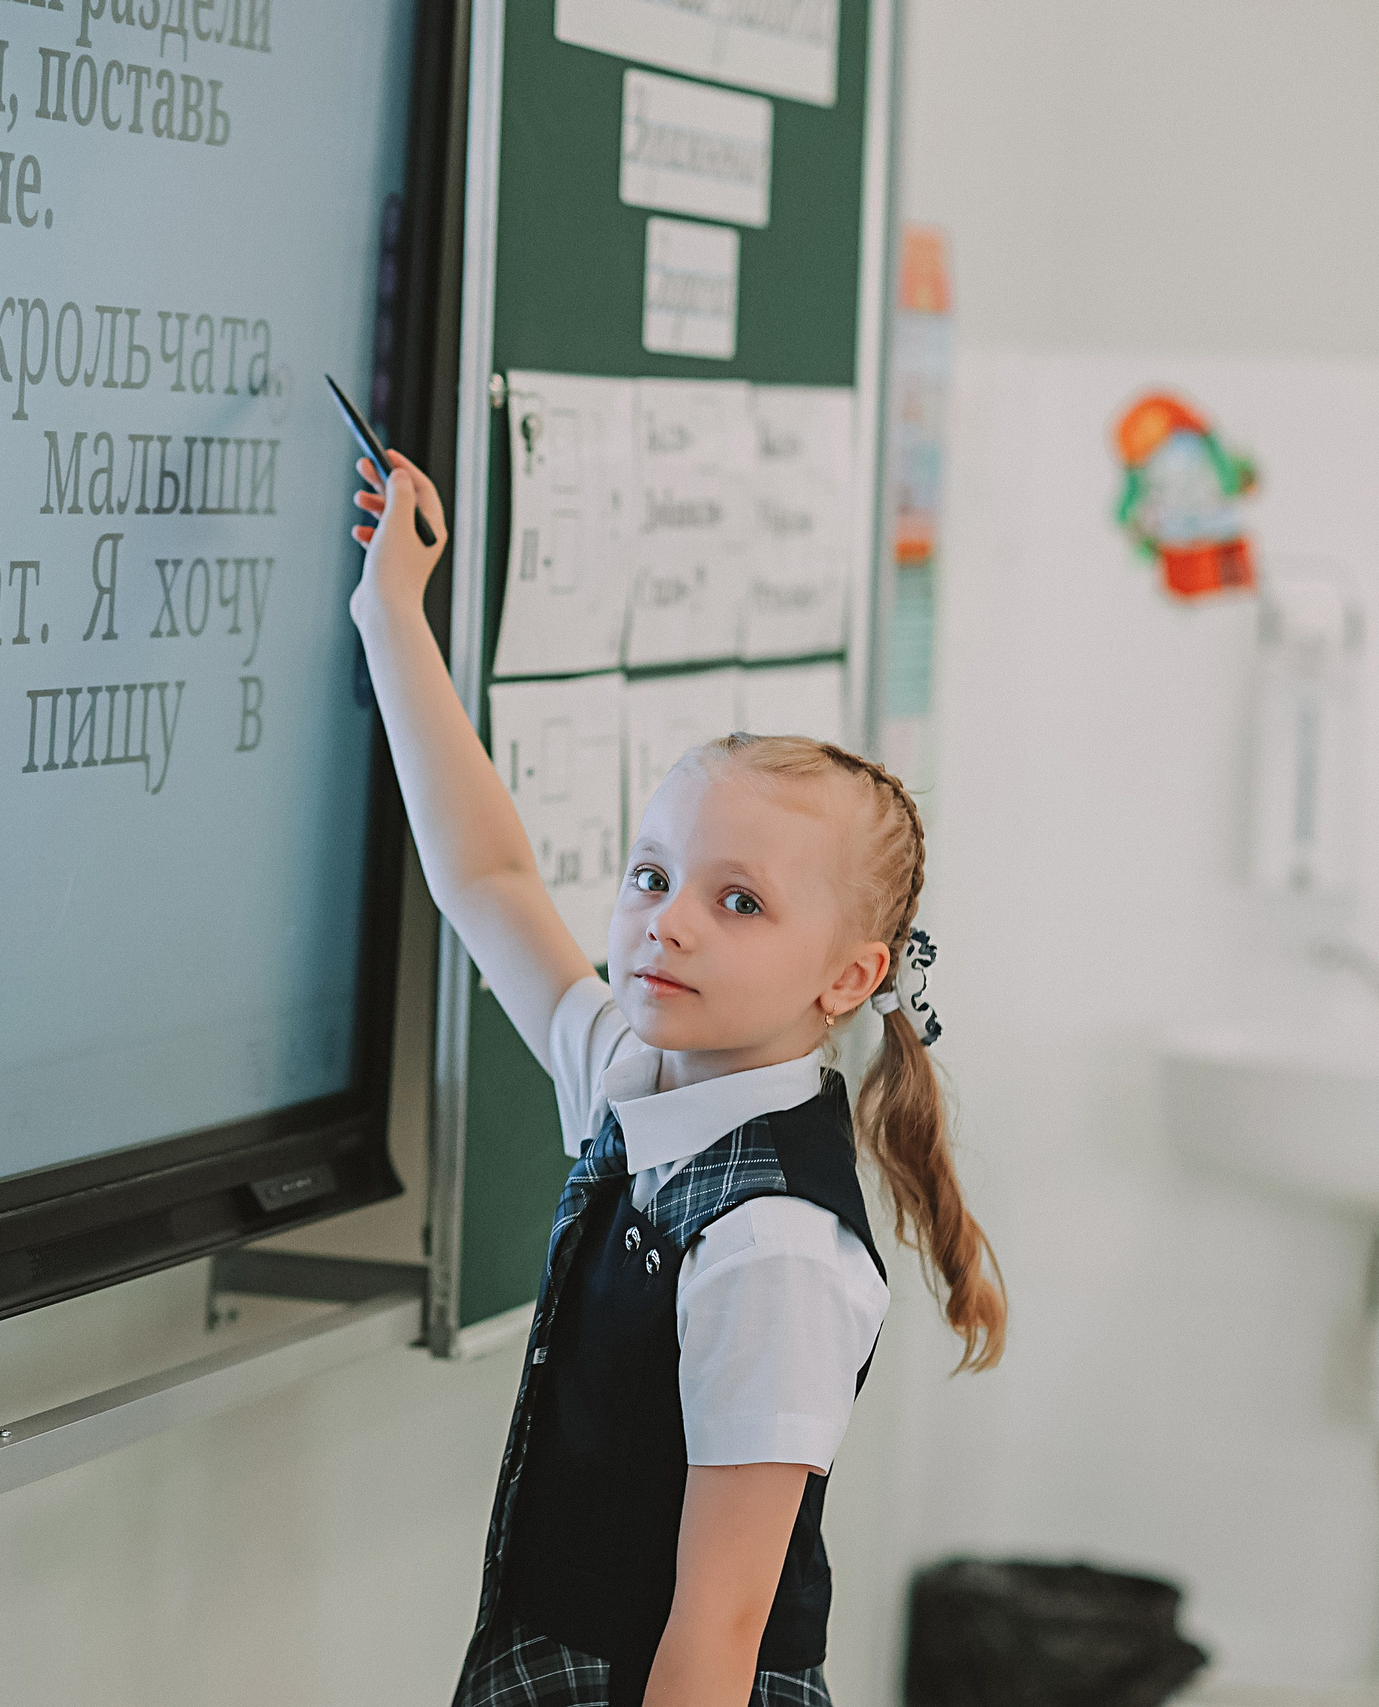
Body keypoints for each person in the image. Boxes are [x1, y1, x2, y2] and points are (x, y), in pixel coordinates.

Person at [347, 451, 1006, 1707]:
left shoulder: (776, 1251)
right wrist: (393, 614)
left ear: (846, 976)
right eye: (651, 876)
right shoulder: (633, 1079)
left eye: (738, 901)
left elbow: (718, 1625)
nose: (668, 924)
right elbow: (488, 879)